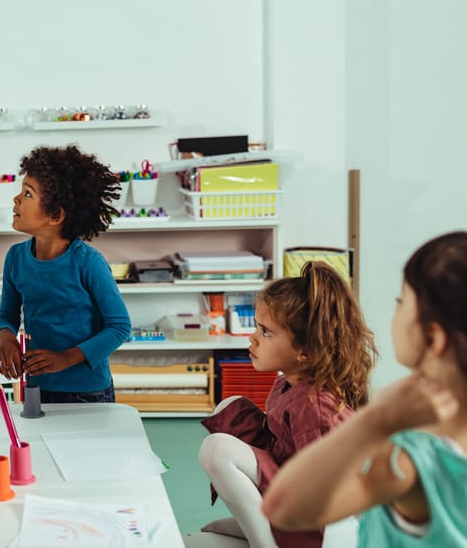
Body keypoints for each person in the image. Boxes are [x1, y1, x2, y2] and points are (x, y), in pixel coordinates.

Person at [263, 231, 467, 546]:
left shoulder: (410, 457)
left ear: (432, 339)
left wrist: (377, 420)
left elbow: (281, 507)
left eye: (401, 302)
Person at [198, 261, 378, 548]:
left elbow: (319, 490)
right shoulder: (289, 381)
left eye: (266, 332)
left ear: (305, 350)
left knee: (216, 449)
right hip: (286, 471)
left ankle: (265, 541)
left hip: (308, 514)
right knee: (230, 407)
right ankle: (254, 522)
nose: (253, 338)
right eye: (257, 327)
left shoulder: (316, 407)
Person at [0, 144, 130, 402]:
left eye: (28, 194)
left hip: (88, 390)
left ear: (55, 215)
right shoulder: (15, 258)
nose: (16, 199)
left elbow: (119, 327)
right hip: (37, 384)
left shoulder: (88, 263)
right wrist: (6, 339)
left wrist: (66, 358)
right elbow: (6, 315)